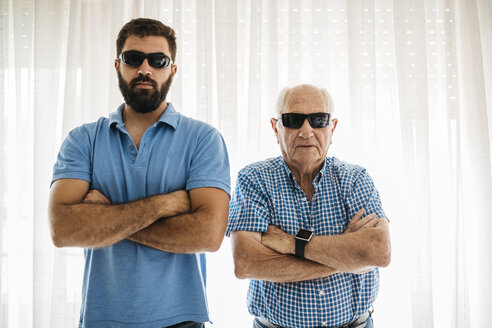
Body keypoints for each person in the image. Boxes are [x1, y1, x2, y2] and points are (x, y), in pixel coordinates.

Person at [48, 18, 230, 328]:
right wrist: (164, 205)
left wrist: (106, 221)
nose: (144, 69)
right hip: (101, 317)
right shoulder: (83, 140)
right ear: (118, 65)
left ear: (172, 71)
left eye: (158, 60)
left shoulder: (203, 139)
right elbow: (63, 230)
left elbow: (209, 235)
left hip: (182, 319)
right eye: (134, 59)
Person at [227, 84, 391, 328]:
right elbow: (246, 263)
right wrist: (347, 258)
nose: (306, 130)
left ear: (332, 128)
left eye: (318, 120)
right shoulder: (253, 179)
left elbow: (378, 252)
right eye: (293, 120)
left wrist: (291, 243)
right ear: (276, 128)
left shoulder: (355, 178)